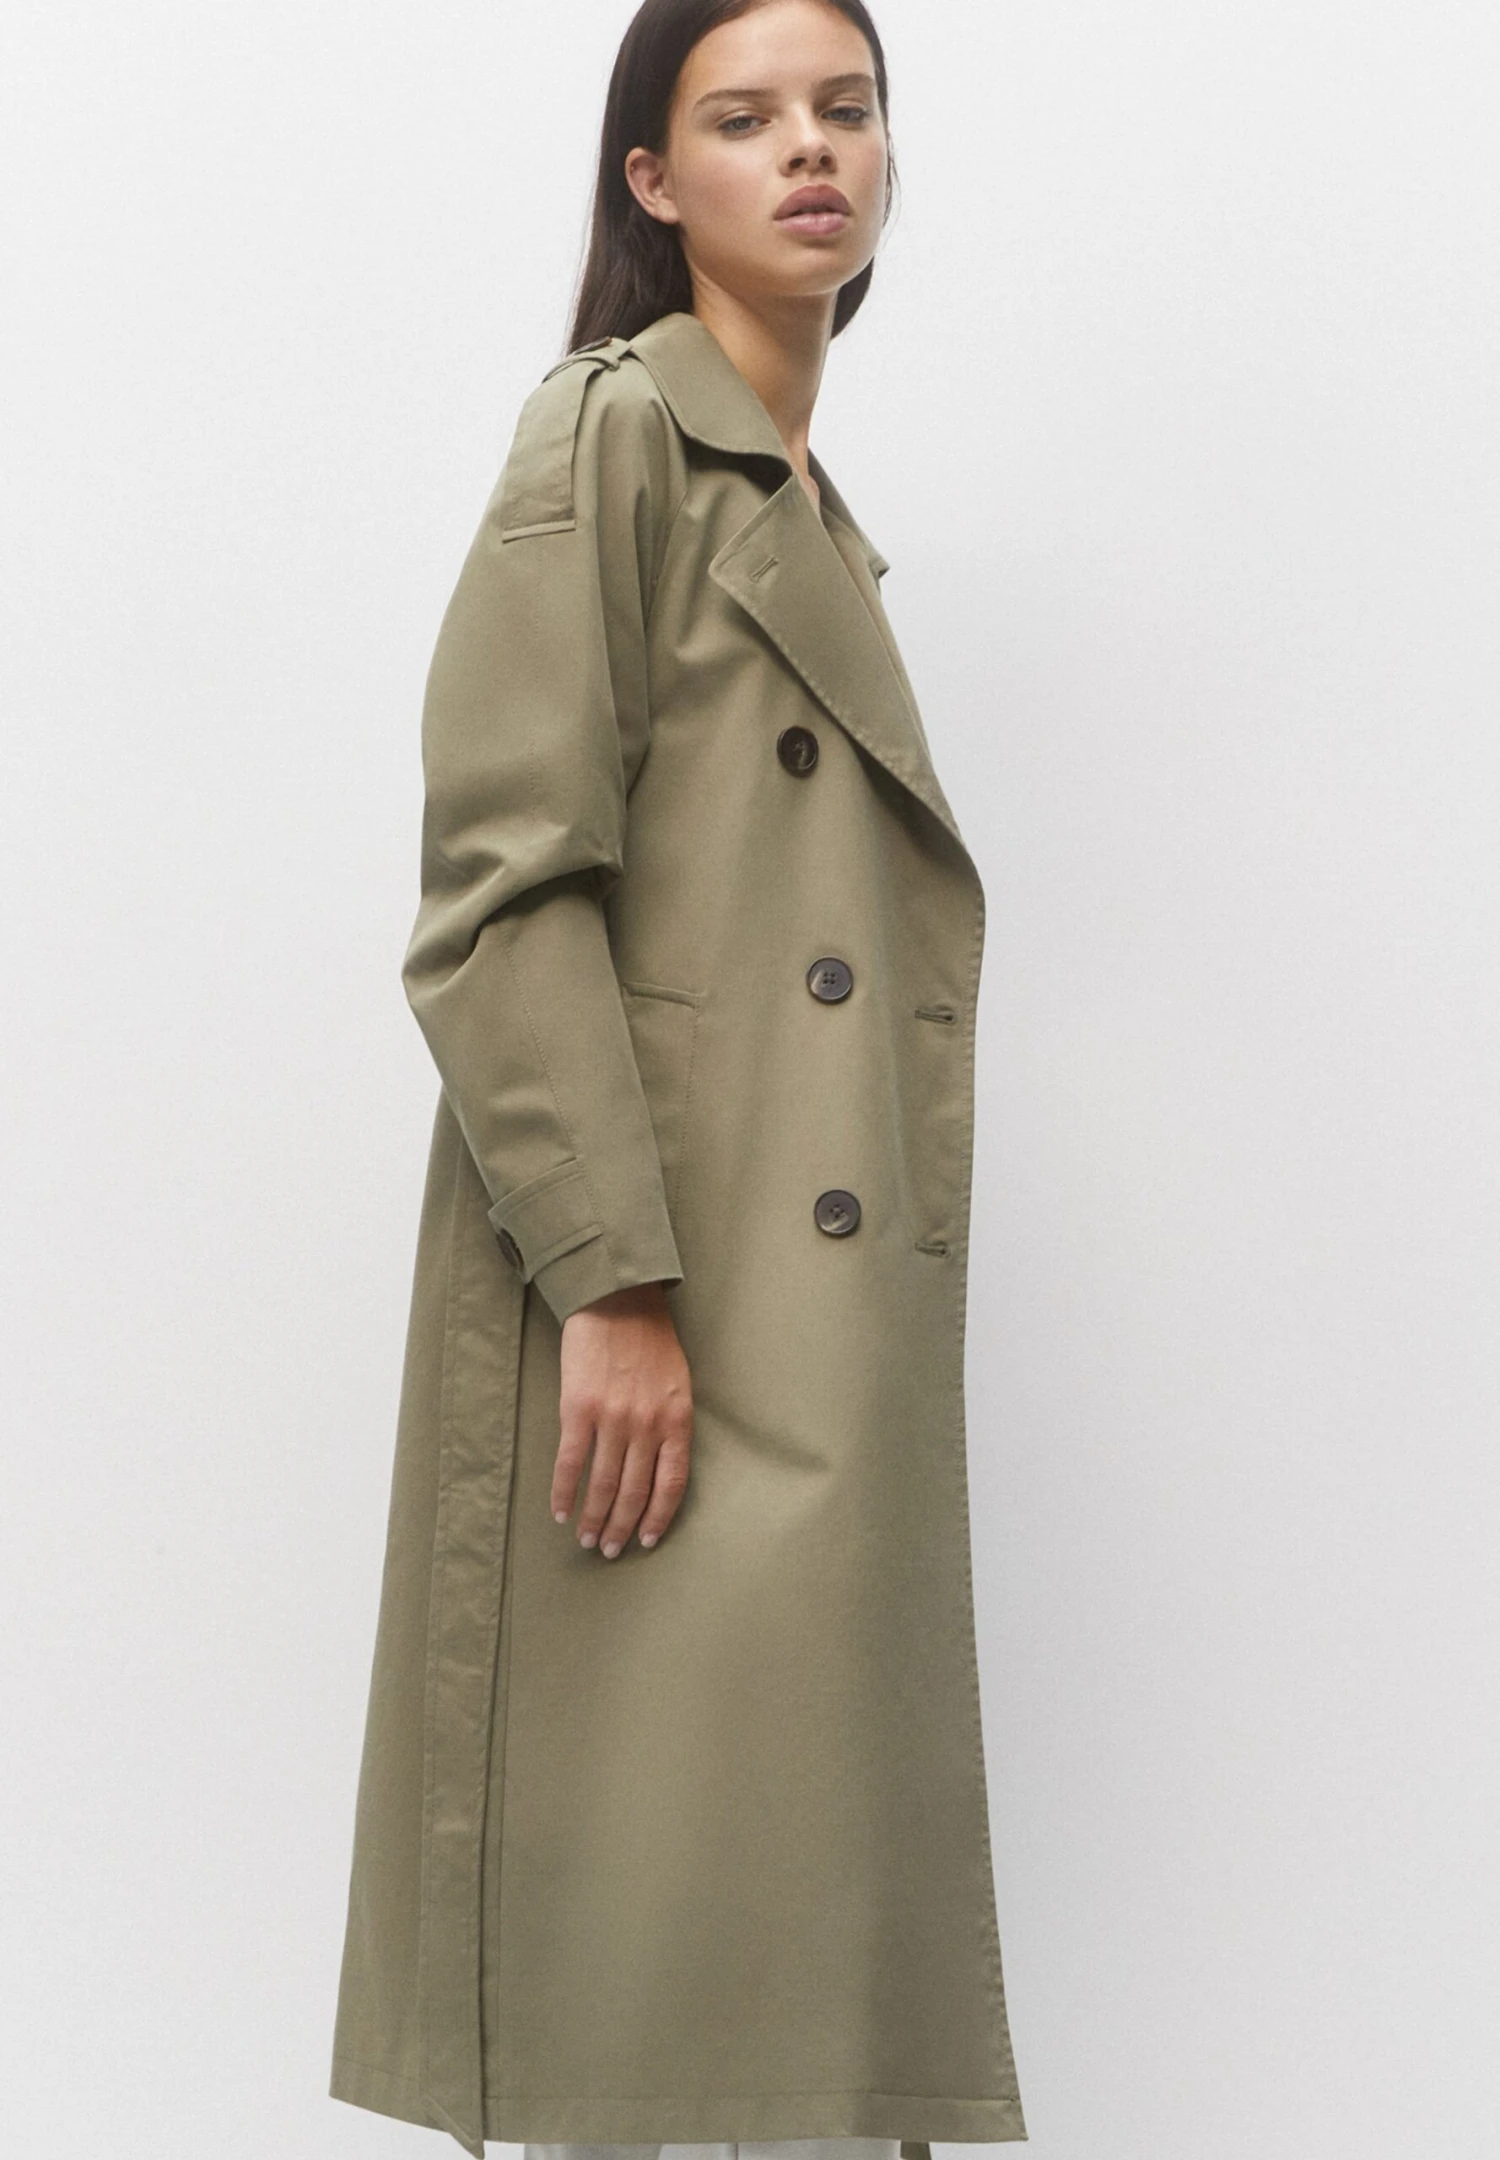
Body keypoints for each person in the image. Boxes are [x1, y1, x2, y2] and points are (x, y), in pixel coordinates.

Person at [329, 3, 1029, 2158]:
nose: (813, 150)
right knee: (643, 1966)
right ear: (653, 178)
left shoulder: (808, 503)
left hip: (800, 1318)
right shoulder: (615, 435)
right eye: (745, 117)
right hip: (664, 1288)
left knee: (785, 1973)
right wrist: (612, 1286)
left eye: (847, 109)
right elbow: (498, 896)